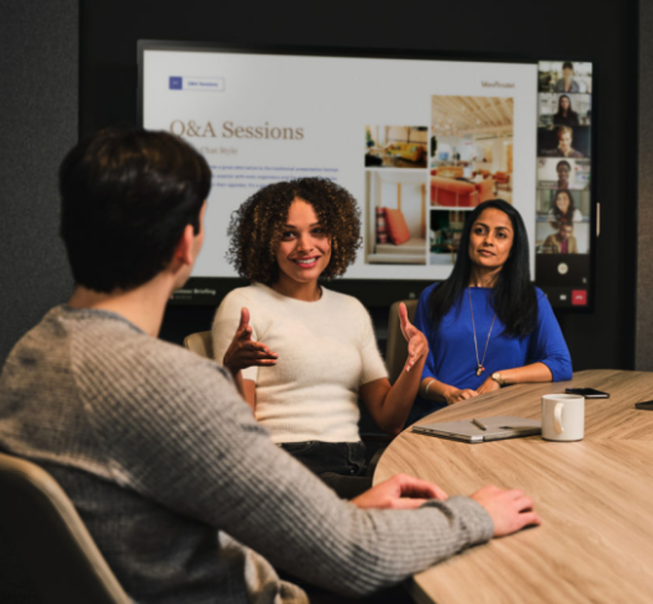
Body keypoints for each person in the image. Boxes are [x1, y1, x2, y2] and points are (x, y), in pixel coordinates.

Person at [0, 128, 539, 603]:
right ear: (187, 244)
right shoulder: (175, 386)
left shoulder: (29, 357)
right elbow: (353, 558)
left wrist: (341, 516)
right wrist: (476, 514)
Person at [212, 178, 421, 498]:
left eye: (318, 231)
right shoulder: (245, 305)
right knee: (422, 499)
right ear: (265, 242)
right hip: (283, 468)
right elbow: (239, 436)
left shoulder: (350, 309)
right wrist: (232, 369)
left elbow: (389, 419)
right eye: (287, 234)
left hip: (350, 465)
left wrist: (415, 361)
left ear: (336, 236)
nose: (306, 246)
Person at [409, 199, 572, 421]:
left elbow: (561, 365)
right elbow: (418, 374)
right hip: (440, 417)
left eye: (500, 235)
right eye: (480, 231)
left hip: (504, 419)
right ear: (468, 237)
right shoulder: (433, 297)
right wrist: (449, 393)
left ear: (514, 247)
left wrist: (499, 377)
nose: (488, 241)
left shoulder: (532, 299)